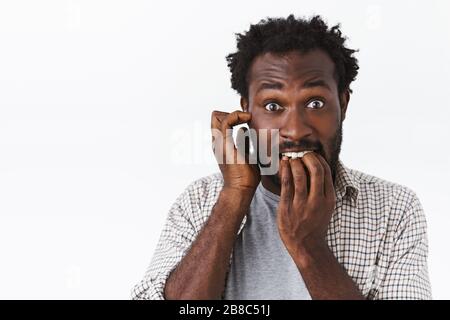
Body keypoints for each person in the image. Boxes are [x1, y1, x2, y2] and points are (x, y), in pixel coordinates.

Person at [132, 14, 431, 300]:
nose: (295, 130)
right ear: (246, 110)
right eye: (273, 106)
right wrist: (234, 197)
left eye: (315, 103)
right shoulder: (199, 202)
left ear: (343, 103)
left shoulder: (395, 209)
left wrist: (307, 246)